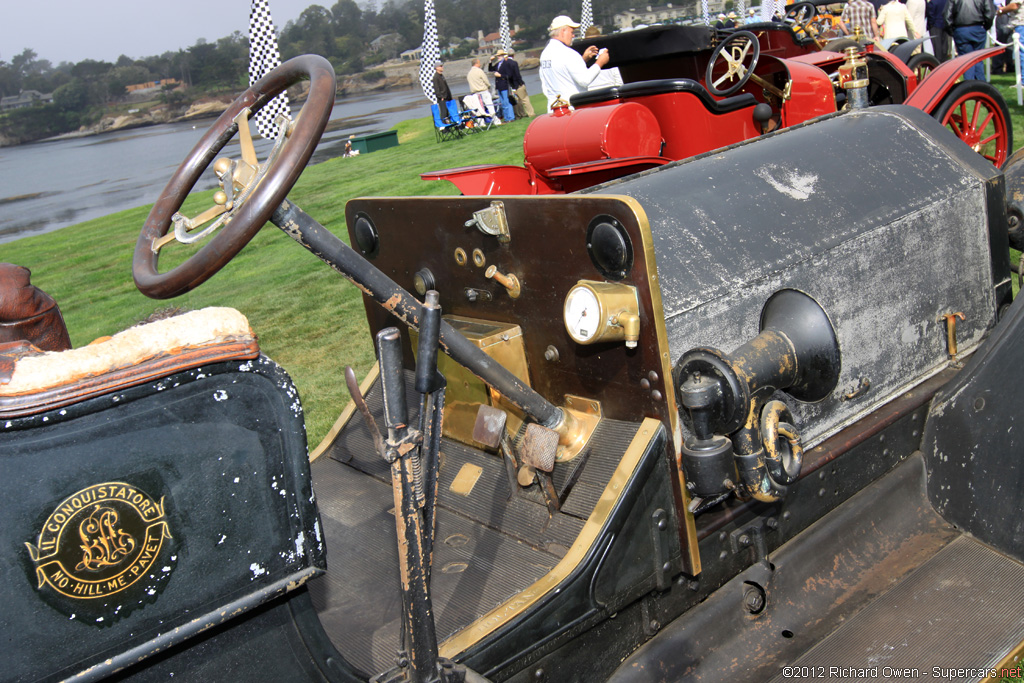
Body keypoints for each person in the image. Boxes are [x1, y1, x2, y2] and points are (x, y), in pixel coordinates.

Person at [539, 14, 610, 111]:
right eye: (571, 32)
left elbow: (559, 73)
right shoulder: (569, 53)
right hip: (572, 108)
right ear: (563, 31)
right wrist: (600, 62)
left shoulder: (545, 54)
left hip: (553, 108)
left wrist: (583, 59)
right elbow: (584, 80)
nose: (573, 35)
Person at [944, 0, 996, 79]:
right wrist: (985, 27)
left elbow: (947, 15)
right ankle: (980, 85)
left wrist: (951, 30)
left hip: (961, 29)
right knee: (978, 59)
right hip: (978, 28)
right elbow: (990, 13)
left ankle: (969, 85)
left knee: (966, 60)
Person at [466, 57, 500, 124]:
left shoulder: (469, 73)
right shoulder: (479, 71)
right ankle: (495, 121)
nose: (480, 64)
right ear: (476, 64)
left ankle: (481, 123)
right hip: (483, 91)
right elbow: (486, 80)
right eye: (479, 63)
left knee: (479, 109)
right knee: (490, 106)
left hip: (475, 93)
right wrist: (489, 86)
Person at [505, 50, 535, 118]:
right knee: (525, 99)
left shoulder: (506, 63)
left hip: (511, 85)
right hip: (517, 84)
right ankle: (531, 113)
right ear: (513, 55)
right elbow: (517, 74)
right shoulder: (514, 63)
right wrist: (520, 83)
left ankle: (521, 113)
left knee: (518, 101)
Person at [490, 50, 516, 122]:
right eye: (498, 56)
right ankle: (507, 118)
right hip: (499, 85)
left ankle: (511, 117)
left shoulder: (506, 64)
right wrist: (491, 61)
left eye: (499, 55)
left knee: (507, 102)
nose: (498, 57)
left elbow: (509, 75)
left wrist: (500, 75)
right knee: (503, 103)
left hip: (505, 85)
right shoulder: (498, 64)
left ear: (503, 55)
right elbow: (491, 69)